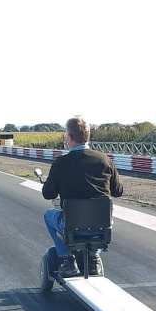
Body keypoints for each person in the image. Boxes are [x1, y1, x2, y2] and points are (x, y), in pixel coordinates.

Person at [41, 116, 124, 277]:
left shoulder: (61, 163)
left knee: (48, 215)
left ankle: (67, 260)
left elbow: (48, 194)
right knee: (102, 219)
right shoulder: (105, 160)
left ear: (69, 137)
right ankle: (93, 257)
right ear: (88, 136)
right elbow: (118, 191)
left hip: (71, 223)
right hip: (102, 225)